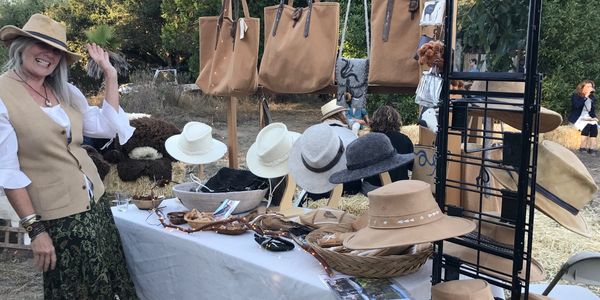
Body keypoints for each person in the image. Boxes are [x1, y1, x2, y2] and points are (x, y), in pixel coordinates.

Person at [0, 14, 137, 298]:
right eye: (41, 45)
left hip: (96, 205)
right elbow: (8, 172)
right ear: (21, 45)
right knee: (74, 291)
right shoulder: (3, 95)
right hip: (59, 219)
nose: (48, 55)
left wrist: (110, 75)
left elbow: (104, 126)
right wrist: (35, 230)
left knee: (111, 284)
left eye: (56, 51)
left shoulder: (65, 91)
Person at [363, 105, 414, 190]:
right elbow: (411, 166)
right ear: (396, 121)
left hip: (373, 187)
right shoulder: (404, 139)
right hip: (399, 187)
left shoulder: (368, 139)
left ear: (375, 121)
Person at [568, 79, 598, 155]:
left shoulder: (592, 98)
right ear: (582, 87)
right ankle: (582, 147)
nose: (590, 88)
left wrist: (594, 117)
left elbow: (591, 111)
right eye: (588, 87)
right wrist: (585, 97)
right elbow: (576, 106)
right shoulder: (576, 96)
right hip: (578, 118)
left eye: (591, 87)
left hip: (587, 117)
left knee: (594, 126)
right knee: (587, 126)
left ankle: (592, 148)